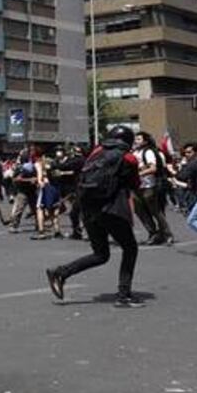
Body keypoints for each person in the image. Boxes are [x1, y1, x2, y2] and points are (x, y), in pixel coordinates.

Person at [45, 125, 144, 308]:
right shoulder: (128, 158)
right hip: (112, 209)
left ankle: (61, 272)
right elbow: (135, 184)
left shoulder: (95, 153)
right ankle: (124, 295)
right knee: (130, 248)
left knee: (101, 254)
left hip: (88, 210)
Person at [133, 132, 173, 246]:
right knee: (140, 211)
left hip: (149, 186)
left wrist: (138, 174)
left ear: (145, 141)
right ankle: (153, 233)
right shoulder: (135, 152)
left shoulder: (148, 152)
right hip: (136, 186)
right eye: (136, 139)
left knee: (155, 211)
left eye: (139, 139)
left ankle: (167, 234)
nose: (136, 141)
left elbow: (153, 168)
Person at [8, 151, 39, 233]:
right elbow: (15, 179)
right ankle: (13, 225)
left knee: (36, 209)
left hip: (32, 191)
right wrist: (29, 180)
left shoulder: (33, 167)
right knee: (19, 209)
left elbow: (36, 177)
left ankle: (39, 225)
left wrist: (35, 180)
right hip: (23, 191)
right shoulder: (20, 168)